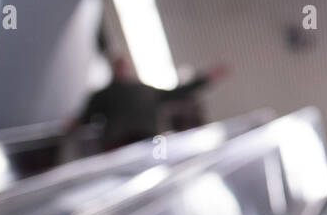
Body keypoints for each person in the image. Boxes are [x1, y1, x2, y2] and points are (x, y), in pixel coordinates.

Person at [74, 54, 228, 151]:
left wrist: (205, 79)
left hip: (148, 143)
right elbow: (86, 117)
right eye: (120, 66)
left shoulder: (145, 91)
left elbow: (178, 92)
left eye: (125, 66)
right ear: (114, 70)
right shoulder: (104, 95)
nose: (123, 70)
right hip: (120, 146)